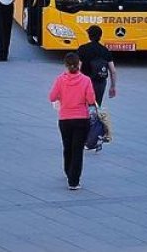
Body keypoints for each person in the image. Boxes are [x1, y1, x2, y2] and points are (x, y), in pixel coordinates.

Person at [48, 53, 99, 190]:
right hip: (81, 118)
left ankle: (68, 171)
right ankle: (74, 181)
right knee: (77, 150)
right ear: (79, 64)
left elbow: (52, 97)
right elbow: (90, 99)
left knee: (67, 147)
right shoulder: (86, 80)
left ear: (65, 65)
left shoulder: (60, 80)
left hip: (65, 119)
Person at [76, 25, 118, 105]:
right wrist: (112, 87)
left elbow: (78, 68)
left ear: (89, 35)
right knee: (96, 105)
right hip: (100, 82)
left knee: (83, 105)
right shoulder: (105, 50)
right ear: (100, 36)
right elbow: (113, 71)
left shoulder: (82, 49)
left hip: (85, 82)